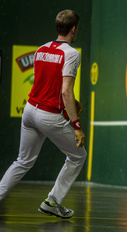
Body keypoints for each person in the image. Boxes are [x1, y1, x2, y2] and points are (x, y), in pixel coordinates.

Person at [0, 9, 87, 219]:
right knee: (78, 155)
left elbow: (48, 83)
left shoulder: (41, 50)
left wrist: (72, 103)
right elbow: (65, 91)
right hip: (48, 115)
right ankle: (52, 202)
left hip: (30, 111)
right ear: (74, 30)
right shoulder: (72, 54)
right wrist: (76, 126)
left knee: (22, 161)